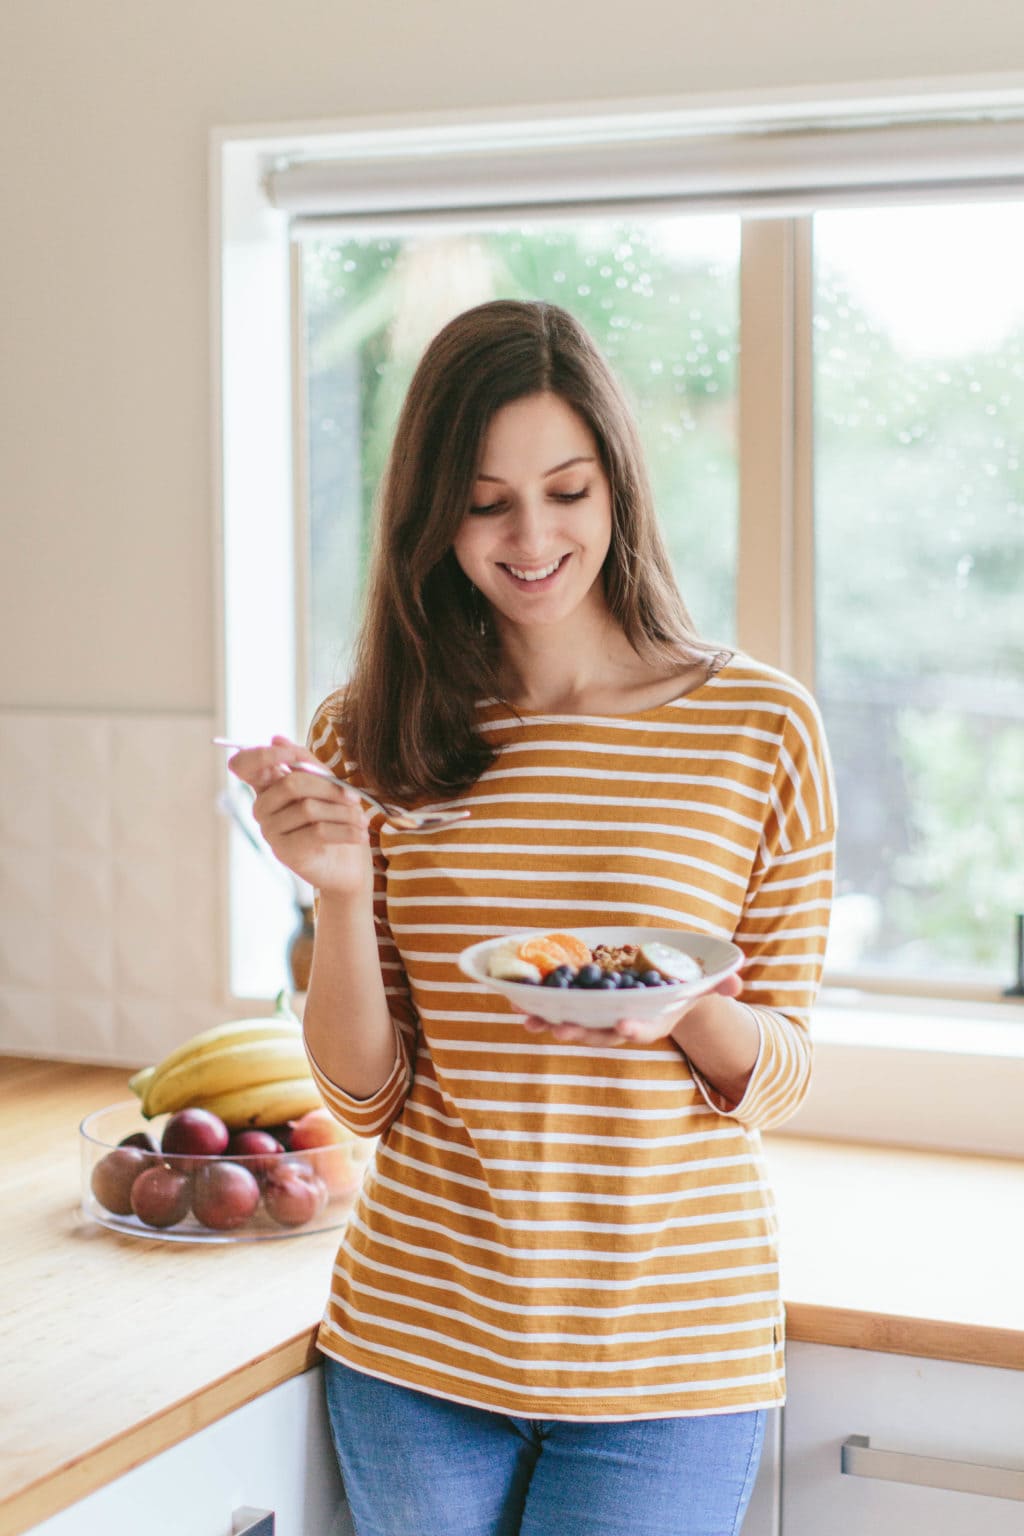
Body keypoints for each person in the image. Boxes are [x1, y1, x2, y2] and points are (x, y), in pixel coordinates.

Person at [228, 299, 836, 1536]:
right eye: (484, 500)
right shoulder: (370, 730)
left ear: (616, 486)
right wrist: (338, 895)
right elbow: (362, 1100)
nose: (532, 536)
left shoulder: (757, 727)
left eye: (565, 489)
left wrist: (683, 1018)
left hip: (668, 1348)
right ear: (432, 514)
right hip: (418, 1332)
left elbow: (780, 1073)